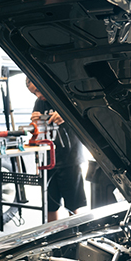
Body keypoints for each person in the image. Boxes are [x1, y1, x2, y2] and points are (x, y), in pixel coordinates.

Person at [26, 79, 86, 221]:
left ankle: (75, 235)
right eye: (34, 93)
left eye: (39, 90)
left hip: (70, 158)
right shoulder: (39, 103)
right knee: (50, 206)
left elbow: (84, 117)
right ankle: (53, 235)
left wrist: (67, 115)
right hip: (47, 160)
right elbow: (36, 131)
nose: (38, 95)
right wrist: (35, 122)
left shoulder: (65, 97)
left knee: (73, 205)